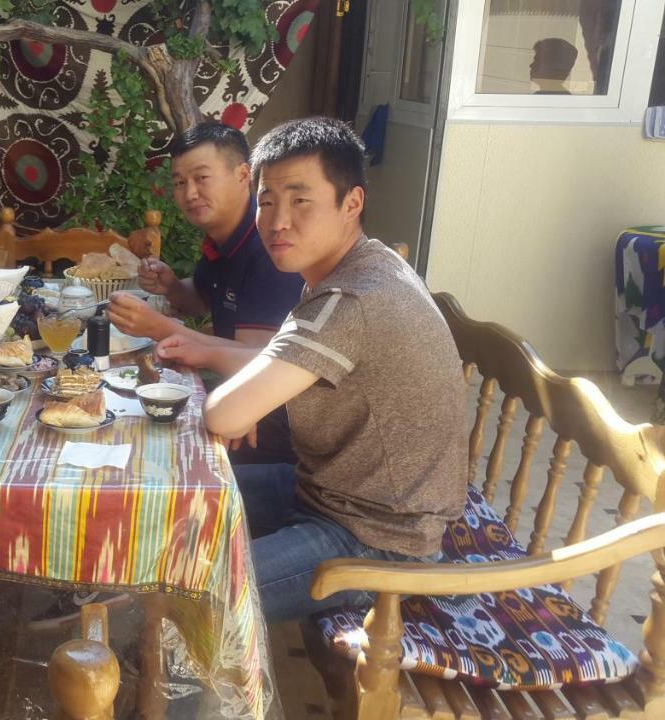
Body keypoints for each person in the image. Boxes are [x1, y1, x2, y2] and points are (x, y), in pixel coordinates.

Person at [156, 117, 467, 621]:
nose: (277, 221)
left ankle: (160, 684)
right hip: (327, 491)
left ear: (352, 203)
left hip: (378, 540)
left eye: (300, 200)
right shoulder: (364, 263)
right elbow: (273, 378)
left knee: (194, 593)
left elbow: (224, 415)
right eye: (267, 200)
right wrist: (256, 395)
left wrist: (248, 400)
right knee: (173, 499)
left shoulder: (351, 299)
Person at [107, 121, 304, 465]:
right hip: (234, 395)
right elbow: (201, 299)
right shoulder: (222, 236)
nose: (189, 193)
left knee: (143, 450)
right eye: (180, 183)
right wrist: (170, 286)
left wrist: (156, 327)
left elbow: (256, 357)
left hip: (272, 424)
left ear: (244, 175)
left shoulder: (268, 247)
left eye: (201, 178)